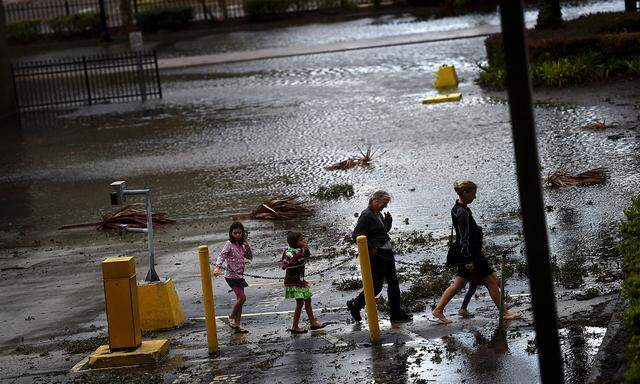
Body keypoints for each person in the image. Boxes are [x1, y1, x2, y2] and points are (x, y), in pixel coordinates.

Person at [432, 180, 521, 324]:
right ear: (465, 193)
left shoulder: (460, 208)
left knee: (462, 284)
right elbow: (464, 237)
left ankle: (438, 310)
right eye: (473, 194)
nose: (475, 197)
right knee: (491, 281)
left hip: (472, 254)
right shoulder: (461, 212)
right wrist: (468, 260)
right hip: (470, 255)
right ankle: (504, 312)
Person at [347, 190, 412, 323]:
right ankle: (355, 304)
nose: (386, 206)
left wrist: (389, 222)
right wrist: (371, 248)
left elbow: (381, 232)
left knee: (393, 283)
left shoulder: (378, 214)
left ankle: (396, 313)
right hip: (377, 255)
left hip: (386, 252)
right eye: (385, 203)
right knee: (376, 286)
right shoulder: (366, 216)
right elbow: (357, 236)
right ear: (375, 200)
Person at [281, 231, 327, 334]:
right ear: (294, 242)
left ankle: (313, 322)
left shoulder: (299, 250)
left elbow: (307, 256)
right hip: (294, 281)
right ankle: (295, 326)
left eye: (303, 239)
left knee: (308, 300)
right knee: (300, 302)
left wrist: (306, 249)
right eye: (301, 240)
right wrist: (296, 256)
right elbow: (284, 265)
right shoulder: (291, 252)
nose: (304, 241)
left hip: (300, 280)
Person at [213, 221, 253, 332]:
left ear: (243, 233)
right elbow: (222, 256)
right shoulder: (229, 244)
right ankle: (231, 316)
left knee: (240, 301)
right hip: (231, 276)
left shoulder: (242, 245)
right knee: (242, 298)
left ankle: (237, 325)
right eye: (235, 233)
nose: (237, 235)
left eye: (240, 233)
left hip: (239, 277)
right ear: (231, 233)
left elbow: (250, 257)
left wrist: (247, 246)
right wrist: (217, 267)